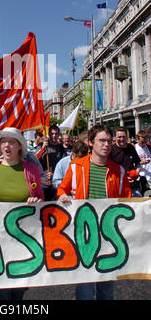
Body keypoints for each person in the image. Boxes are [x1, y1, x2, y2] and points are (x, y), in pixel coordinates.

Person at [57, 124, 131, 300]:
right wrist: (62, 197)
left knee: (107, 287)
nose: (106, 145)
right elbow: (62, 189)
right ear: (90, 143)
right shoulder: (76, 166)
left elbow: (128, 203)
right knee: (85, 287)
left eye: (109, 141)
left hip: (110, 236)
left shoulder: (119, 172)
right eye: (102, 140)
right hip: (84, 234)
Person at [0, 127, 43, 301]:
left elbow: (40, 196)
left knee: (18, 290)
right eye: (4, 142)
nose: (7, 146)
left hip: (23, 239)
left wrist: (36, 202)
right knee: (0, 290)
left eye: (12, 142)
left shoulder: (31, 169)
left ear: (20, 146)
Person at [109, 127, 141, 196]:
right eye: (119, 137)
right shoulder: (111, 149)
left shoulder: (131, 148)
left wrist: (135, 174)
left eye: (124, 137)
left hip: (132, 186)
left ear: (126, 137)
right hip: (117, 186)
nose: (122, 139)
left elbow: (138, 164)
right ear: (115, 137)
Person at [35, 125, 65, 200]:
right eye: (52, 133)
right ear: (49, 134)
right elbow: (34, 160)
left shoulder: (61, 148)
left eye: (56, 134)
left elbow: (64, 166)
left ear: (59, 135)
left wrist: (55, 174)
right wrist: (42, 149)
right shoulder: (42, 145)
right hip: (43, 182)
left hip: (55, 183)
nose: (54, 136)